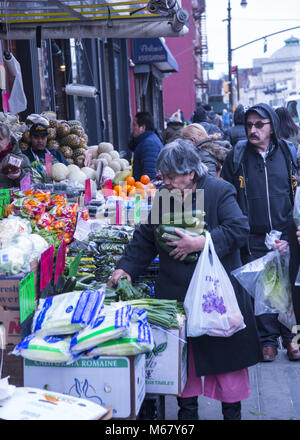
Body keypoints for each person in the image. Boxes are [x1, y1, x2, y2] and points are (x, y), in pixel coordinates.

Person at [108, 139, 262, 420]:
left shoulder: (218, 191)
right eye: (163, 176)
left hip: (216, 298)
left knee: (226, 367)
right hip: (178, 298)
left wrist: (201, 242)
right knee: (184, 369)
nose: (164, 182)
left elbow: (239, 229)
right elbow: (145, 238)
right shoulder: (165, 196)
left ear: (190, 173)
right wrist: (126, 267)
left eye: (170, 176)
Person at [221, 102, 300, 362]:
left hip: (287, 233)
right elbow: (227, 195)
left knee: (289, 290)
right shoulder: (237, 156)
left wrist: (289, 235)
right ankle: (267, 342)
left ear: (272, 127)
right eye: (249, 125)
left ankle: (293, 339)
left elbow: (297, 197)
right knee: (263, 291)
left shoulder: (289, 153)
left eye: (259, 125)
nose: (252, 130)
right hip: (253, 235)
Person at [131, 111, 163, 181]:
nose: (132, 128)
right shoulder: (148, 140)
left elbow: (149, 176)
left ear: (142, 128)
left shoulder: (149, 144)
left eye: (134, 125)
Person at [0, 123, 31, 188]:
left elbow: (29, 186)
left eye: (0, 139)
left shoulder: (22, 159)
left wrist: (19, 175)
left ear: (9, 140)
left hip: (9, 197)